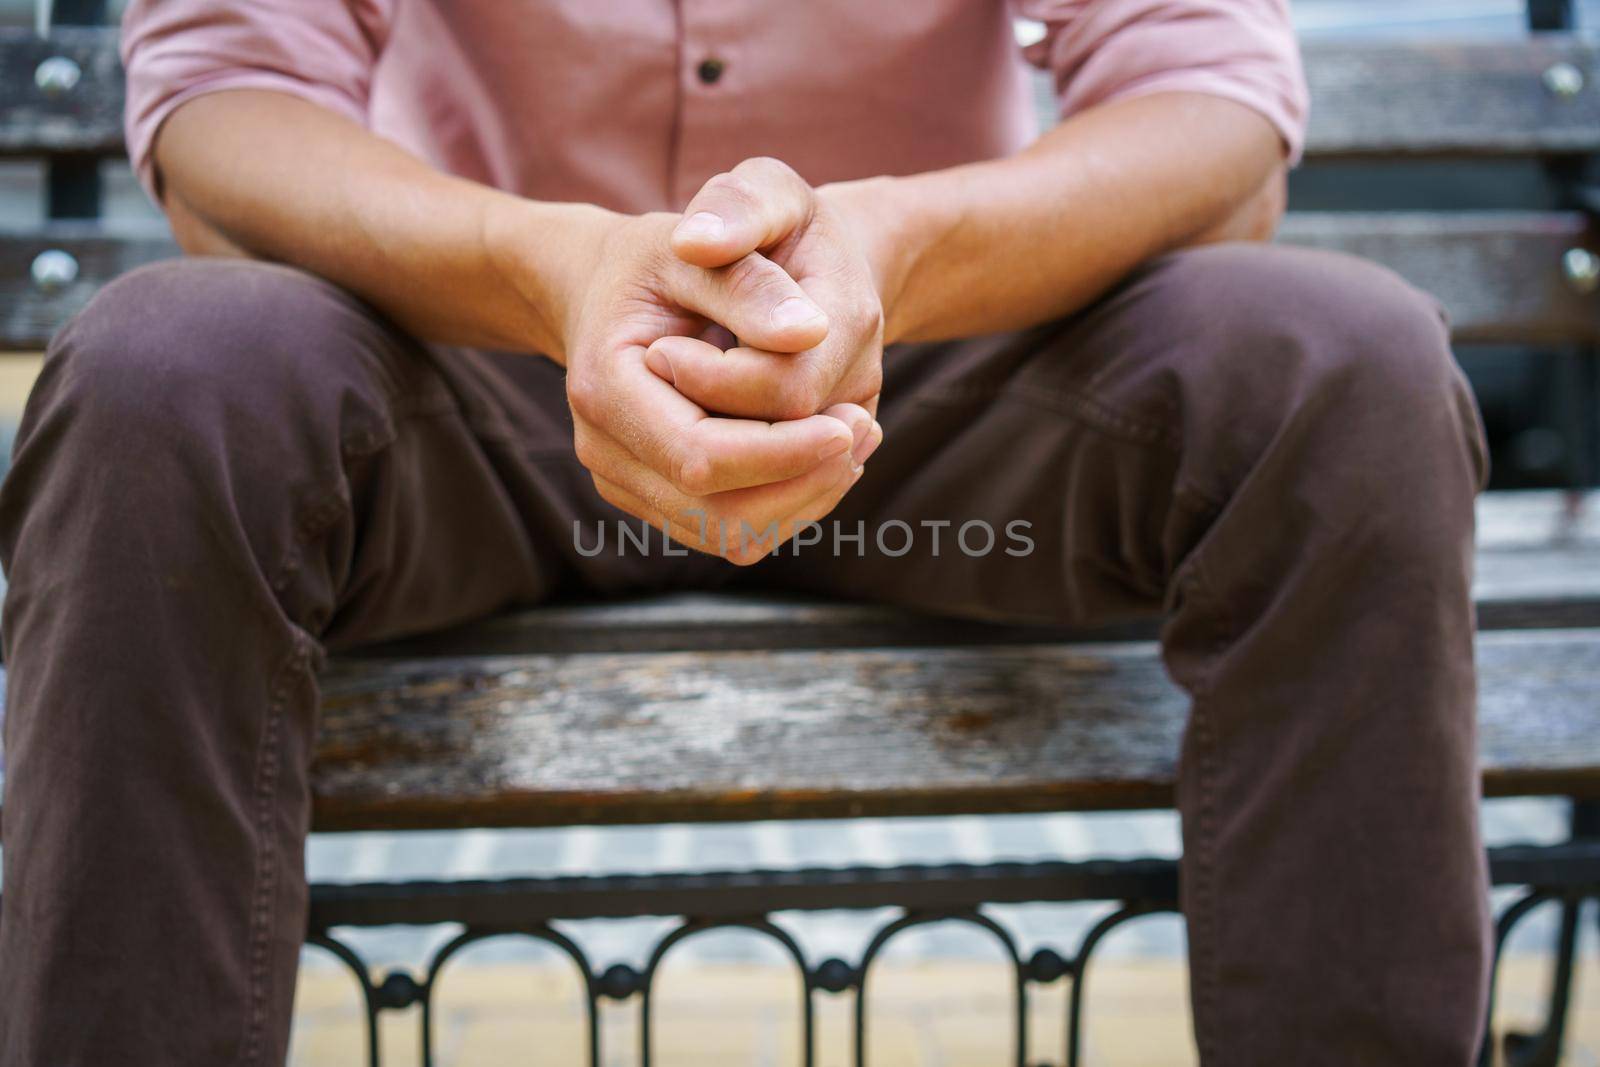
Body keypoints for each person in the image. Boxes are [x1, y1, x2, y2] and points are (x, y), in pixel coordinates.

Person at [0, 2, 1493, 1064]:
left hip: (932, 419)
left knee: (1344, 362)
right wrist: (558, 268)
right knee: (163, 374)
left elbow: (1214, 113)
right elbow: (230, 105)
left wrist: (890, 252)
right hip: (475, 399)